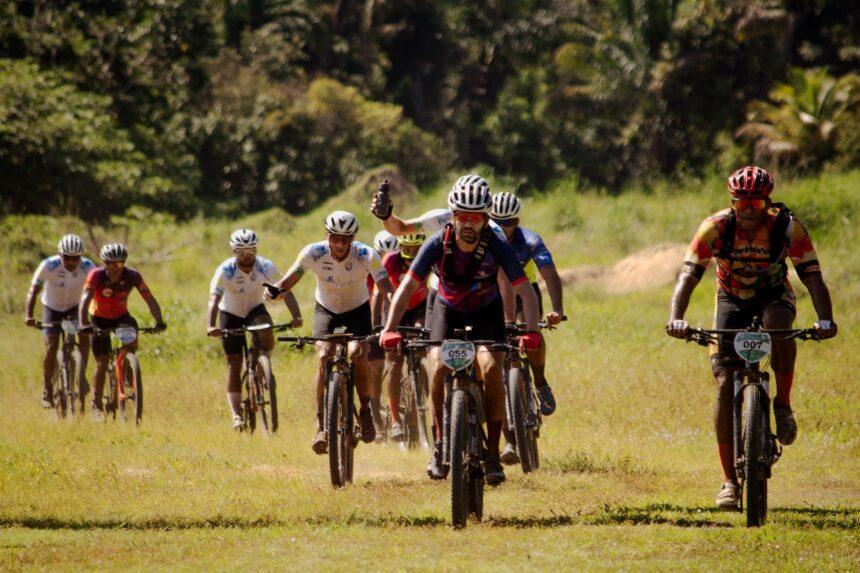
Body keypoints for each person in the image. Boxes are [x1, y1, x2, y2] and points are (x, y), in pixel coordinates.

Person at [665, 165, 837, 510]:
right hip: (730, 297)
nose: (747, 211)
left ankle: (782, 404)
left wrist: (825, 319)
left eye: (755, 204)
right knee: (724, 384)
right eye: (741, 203)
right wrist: (676, 318)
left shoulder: (787, 228)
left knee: (778, 324)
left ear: (767, 203)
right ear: (732, 202)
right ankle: (729, 481)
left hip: (773, 294)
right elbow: (688, 276)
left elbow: (812, 277)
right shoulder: (715, 228)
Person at [379, 175, 541, 485]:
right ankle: (440, 444)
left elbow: (525, 290)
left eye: (476, 218)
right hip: (446, 308)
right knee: (437, 365)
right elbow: (407, 287)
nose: (468, 223)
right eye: (463, 216)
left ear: (486, 219)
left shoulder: (497, 243)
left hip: (486, 309)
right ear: (452, 216)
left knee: (491, 368)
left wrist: (531, 331)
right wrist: (389, 329)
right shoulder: (436, 242)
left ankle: (492, 455)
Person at [265, 211, 393, 453]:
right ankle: (321, 425)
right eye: (335, 238)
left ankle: (365, 412)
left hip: (357, 310)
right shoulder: (313, 252)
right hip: (326, 309)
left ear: (353, 239)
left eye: (346, 239)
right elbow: (290, 279)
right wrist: (275, 290)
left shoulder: (366, 254)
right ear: (327, 236)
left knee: (358, 354)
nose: (340, 244)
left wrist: (394, 307)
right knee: (324, 356)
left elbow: (386, 287)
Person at [490, 192, 566, 464]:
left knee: (530, 332)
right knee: (495, 367)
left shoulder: (530, 241)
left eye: (508, 222)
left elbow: (550, 274)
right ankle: (509, 441)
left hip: (525, 294)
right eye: (496, 221)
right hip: (491, 297)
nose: (502, 227)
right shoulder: (484, 240)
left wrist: (557, 309)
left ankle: (540, 381)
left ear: (517, 222)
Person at [207, 229, 302, 431]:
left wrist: (296, 316)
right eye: (242, 252)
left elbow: (284, 290)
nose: (247, 256)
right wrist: (211, 325)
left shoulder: (265, 266)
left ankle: (261, 364)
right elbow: (214, 299)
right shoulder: (225, 270)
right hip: (230, 313)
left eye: (251, 251)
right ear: (234, 251)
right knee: (234, 364)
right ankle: (236, 415)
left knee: (266, 328)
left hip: (254, 309)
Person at [79, 243, 167, 421]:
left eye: (120, 264)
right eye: (112, 264)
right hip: (98, 318)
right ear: (105, 264)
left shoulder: (132, 276)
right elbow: (85, 299)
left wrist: (159, 321)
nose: (117, 268)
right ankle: (97, 405)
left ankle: (127, 364)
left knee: (132, 333)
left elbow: (149, 298)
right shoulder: (96, 275)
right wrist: (84, 323)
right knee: (102, 362)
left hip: (121, 317)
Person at [25, 234, 97, 408]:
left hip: (75, 307)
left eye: (75, 258)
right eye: (67, 257)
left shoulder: (88, 267)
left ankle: (81, 376)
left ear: (81, 257)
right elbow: (33, 290)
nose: (71, 262)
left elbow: (98, 291)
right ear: (60, 254)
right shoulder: (48, 265)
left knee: (85, 336)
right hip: (52, 308)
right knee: (51, 347)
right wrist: (29, 315)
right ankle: (47, 389)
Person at [381, 232, 428, 442]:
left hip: (419, 307)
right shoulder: (391, 260)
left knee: (423, 335)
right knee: (394, 363)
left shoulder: (429, 257)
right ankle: (395, 421)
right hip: (394, 308)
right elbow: (378, 292)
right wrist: (379, 326)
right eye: (407, 249)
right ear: (400, 247)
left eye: (416, 249)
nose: (411, 254)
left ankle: (424, 381)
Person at [368, 230, 400, 441]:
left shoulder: (400, 266)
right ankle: (377, 422)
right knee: (376, 368)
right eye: (382, 254)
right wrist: (372, 328)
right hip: (373, 319)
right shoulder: (367, 269)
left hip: (392, 316)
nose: (386, 258)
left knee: (397, 361)